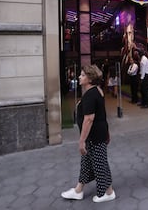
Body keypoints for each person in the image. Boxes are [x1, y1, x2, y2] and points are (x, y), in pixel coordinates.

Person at [61, 65, 116, 203]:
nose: (79, 77)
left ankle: (108, 192)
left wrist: (81, 141)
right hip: (97, 134)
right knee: (87, 163)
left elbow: (89, 119)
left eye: (83, 75)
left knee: (100, 163)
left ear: (90, 78)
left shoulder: (91, 94)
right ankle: (78, 190)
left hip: (94, 136)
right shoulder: (97, 91)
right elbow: (102, 115)